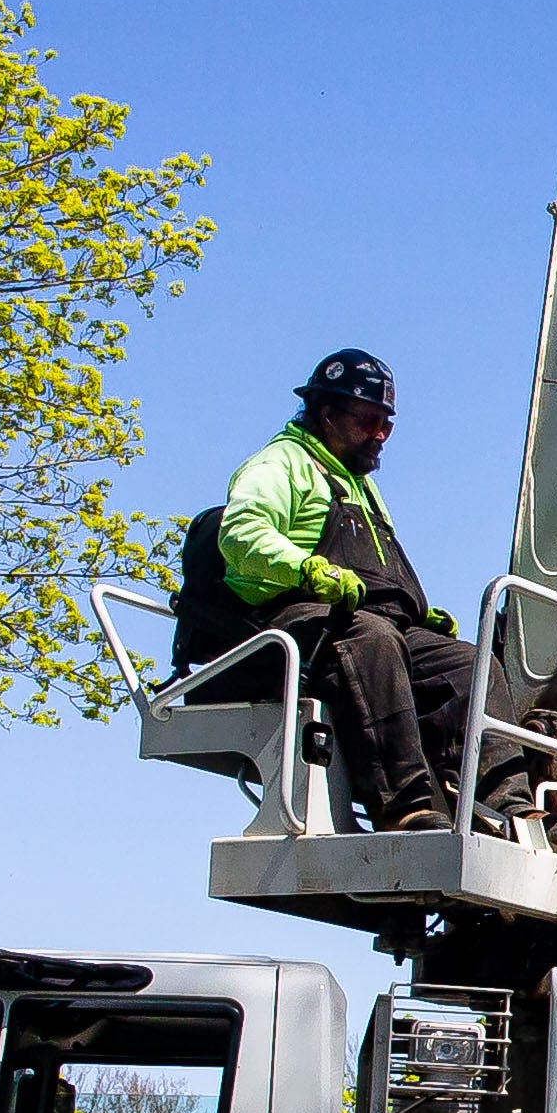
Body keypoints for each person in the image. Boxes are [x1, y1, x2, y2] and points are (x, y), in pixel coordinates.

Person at [173, 349, 478, 830]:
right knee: (372, 640)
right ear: (327, 413)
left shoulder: (359, 486)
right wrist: (307, 568)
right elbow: (242, 535)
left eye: (387, 425)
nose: (379, 435)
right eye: (368, 421)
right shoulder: (281, 464)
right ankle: (406, 807)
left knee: (465, 664)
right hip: (285, 622)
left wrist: (420, 617)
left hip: (364, 621)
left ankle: (505, 805)